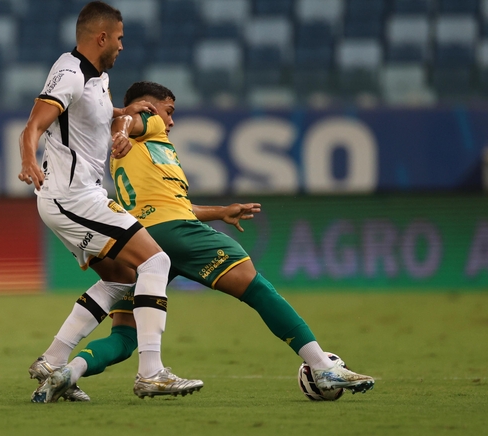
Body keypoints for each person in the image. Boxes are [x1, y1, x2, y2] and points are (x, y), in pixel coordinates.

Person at [32, 81, 375, 400]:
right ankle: (322, 365)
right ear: (150, 106)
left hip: (141, 242)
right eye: (169, 111)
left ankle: (67, 371)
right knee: (257, 289)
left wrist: (221, 211)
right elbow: (127, 121)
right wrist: (123, 129)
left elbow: (174, 203)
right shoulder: (148, 122)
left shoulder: (142, 152)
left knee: (124, 337)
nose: (171, 121)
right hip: (177, 233)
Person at [18, 2, 202, 403]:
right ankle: (151, 372)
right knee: (156, 261)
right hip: (71, 198)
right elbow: (34, 124)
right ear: (101, 37)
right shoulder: (70, 73)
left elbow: (89, 115)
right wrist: (28, 159)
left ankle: (52, 361)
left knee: (122, 277)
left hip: (79, 197)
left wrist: (124, 111)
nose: (121, 45)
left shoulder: (97, 78)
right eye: (119, 37)